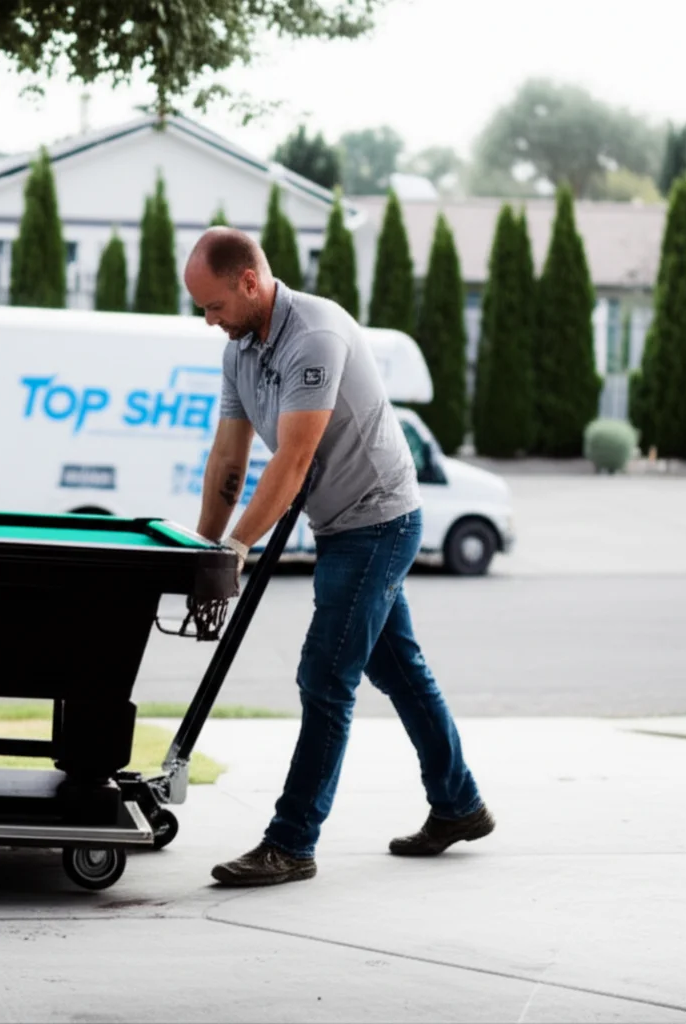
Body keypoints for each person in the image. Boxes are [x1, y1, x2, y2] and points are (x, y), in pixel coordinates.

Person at [184, 227, 494, 887]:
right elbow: (229, 462)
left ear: (248, 281)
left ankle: (291, 842)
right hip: (341, 524)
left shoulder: (315, 335)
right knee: (401, 672)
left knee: (325, 678)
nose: (209, 322)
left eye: (212, 306)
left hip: (379, 521)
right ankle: (459, 804)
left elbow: (292, 463)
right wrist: (205, 554)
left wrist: (237, 550)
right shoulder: (240, 351)